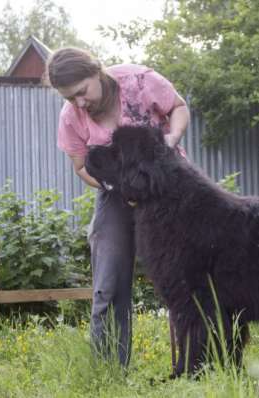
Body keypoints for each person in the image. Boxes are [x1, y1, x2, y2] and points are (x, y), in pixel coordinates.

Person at [44, 47, 190, 367]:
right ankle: (110, 371)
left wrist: (172, 138)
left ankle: (198, 365)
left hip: (170, 186)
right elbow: (81, 166)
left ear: (97, 71)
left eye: (82, 91)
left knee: (188, 277)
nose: (79, 103)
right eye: (70, 98)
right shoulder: (71, 117)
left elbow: (179, 108)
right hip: (116, 193)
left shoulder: (138, 80)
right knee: (108, 281)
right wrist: (116, 186)